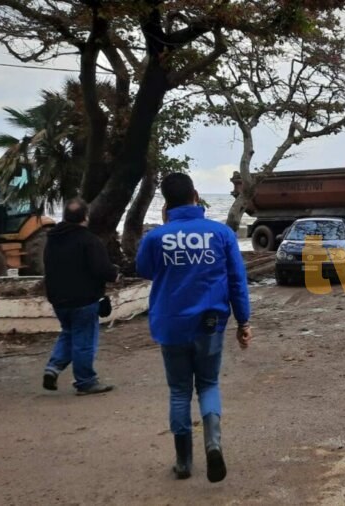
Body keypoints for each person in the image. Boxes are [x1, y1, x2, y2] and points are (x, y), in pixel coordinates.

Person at [136, 173, 251, 482]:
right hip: (210, 325)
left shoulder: (156, 237)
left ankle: (184, 462)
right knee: (209, 385)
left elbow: (144, 269)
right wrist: (243, 320)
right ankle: (213, 446)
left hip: (171, 325)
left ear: (165, 204)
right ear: (196, 196)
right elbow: (237, 281)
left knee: (179, 391)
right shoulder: (221, 234)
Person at [42, 198, 119, 395]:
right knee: (84, 340)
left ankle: (53, 367)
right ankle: (86, 381)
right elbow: (101, 268)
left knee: (68, 333)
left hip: (58, 299)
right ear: (85, 217)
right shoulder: (89, 240)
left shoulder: (52, 239)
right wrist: (114, 273)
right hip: (84, 299)